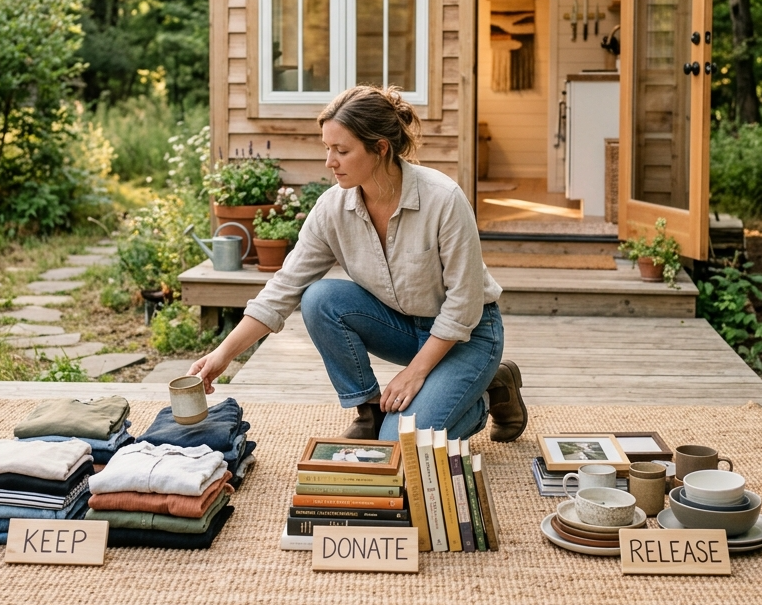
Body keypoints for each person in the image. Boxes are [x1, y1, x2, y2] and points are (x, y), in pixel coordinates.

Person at [188, 85, 527, 443]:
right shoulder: (332, 209)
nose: (329, 162)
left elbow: (463, 307)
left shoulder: (443, 200)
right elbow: (283, 289)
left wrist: (414, 373)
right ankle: (370, 409)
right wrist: (222, 355)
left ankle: (486, 394)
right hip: (404, 327)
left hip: (469, 336)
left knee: (399, 443)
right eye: (327, 148)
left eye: (342, 150)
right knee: (320, 298)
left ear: (380, 148)